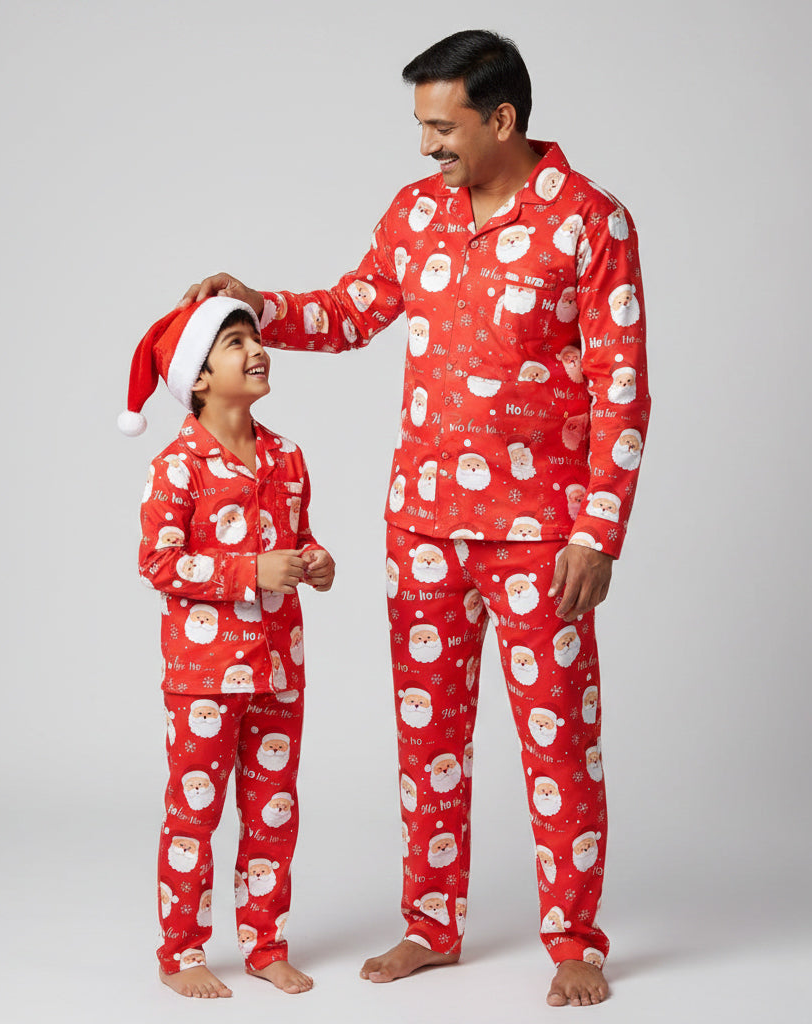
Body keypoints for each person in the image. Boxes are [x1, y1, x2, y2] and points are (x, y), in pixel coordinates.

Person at [179, 29, 650, 1008]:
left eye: (441, 127)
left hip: (538, 538)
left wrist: (597, 530)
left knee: (559, 743)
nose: (426, 146)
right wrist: (257, 305)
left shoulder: (588, 223)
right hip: (423, 527)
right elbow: (355, 308)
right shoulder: (416, 215)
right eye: (421, 126)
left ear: (502, 119)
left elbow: (622, 385)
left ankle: (574, 939)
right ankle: (432, 926)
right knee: (426, 734)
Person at [118, 296, 335, 998]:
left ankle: (264, 943)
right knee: (195, 815)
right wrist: (249, 572)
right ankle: (181, 951)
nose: (256, 350)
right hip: (205, 677)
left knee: (274, 810)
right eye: (235, 343)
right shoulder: (177, 465)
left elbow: (298, 543)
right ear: (199, 377)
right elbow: (159, 562)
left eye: (255, 338)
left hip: (279, 670)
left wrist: (316, 560)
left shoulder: (287, 457)